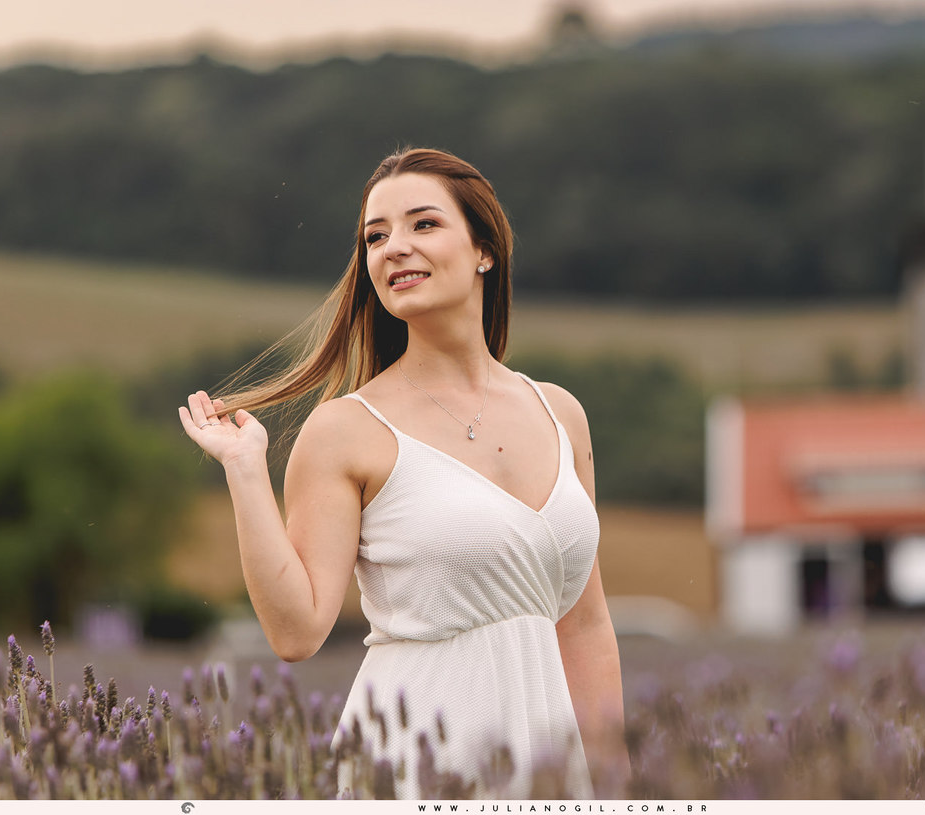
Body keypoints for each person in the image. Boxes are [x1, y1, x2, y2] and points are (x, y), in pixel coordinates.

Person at [178, 147, 628, 799]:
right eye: (375, 236)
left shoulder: (561, 413)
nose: (394, 248)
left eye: (423, 224)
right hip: (409, 762)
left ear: (484, 250)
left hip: (549, 765)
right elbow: (297, 631)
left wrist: (616, 782)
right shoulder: (345, 431)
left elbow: (584, 625)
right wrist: (247, 473)